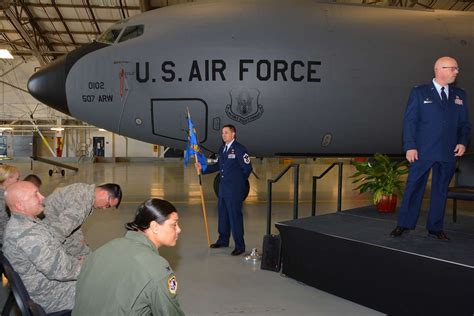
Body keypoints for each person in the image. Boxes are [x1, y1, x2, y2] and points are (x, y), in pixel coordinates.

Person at [391, 56, 471, 240]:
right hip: (423, 150)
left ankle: (435, 227)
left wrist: (462, 141)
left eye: (457, 68)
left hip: (448, 151)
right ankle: (404, 224)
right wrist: (410, 146)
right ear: (439, 70)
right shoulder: (419, 92)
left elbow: (465, 124)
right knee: (414, 187)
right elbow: (410, 121)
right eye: (453, 68)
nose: (456, 72)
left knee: (440, 190)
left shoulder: (460, 95)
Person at [73, 198, 184, 316]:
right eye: (174, 224)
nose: (179, 229)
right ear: (155, 227)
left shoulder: (105, 249)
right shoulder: (157, 268)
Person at [3, 181, 81, 313]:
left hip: (49, 287)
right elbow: (62, 271)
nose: (42, 197)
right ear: (20, 205)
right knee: (107, 286)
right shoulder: (28, 236)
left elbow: (54, 249)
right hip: (54, 297)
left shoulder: (25, 222)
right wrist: (87, 266)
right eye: (35, 195)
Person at [195, 124, 252, 255]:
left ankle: (239, 245)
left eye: (226, 133)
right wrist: (202, 168)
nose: (223, 135)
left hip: (234, 190)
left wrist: (238, 182)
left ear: (233, 134)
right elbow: (217, 166)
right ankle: (223, 240)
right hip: (223, 189)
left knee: (235, 216)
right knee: (223, 215)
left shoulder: (239, 149)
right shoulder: (222, 149)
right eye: (222, 133)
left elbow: (247, 168)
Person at [43, 182, 122, 259]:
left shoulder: (86, 191)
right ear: (103, 193)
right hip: (46, 228)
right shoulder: (81, 204)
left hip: (51, 223)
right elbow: (58, 233)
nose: (104, 208)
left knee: (83, 250)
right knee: (87, 258)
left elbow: (74, 224)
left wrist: (80, 239)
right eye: (108, 205)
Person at [0, 165, 20, 241]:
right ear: (8, 179)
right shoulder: (4, 202)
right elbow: (4, 229)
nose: (19, 182)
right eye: (17, 179)